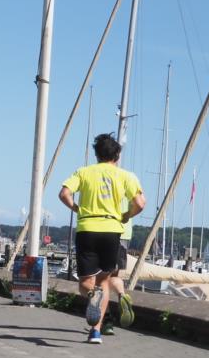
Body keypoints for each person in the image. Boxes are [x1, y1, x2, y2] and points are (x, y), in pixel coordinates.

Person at [59, 133, 146, 345]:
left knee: (86, 283)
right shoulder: (126, 176)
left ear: (96, 154)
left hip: (88, 228)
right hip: (112, 230)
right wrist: (127, 215)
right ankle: (95, 332)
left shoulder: (84, 172)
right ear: (117, 154)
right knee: (104, 281)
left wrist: (76, 208)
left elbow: (64, 193)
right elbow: (140, 203)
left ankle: (91, 296)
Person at [103, 202, 136, 335]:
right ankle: (122, 295)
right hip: (124, 233)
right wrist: (126, 215)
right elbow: (138, 203)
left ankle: (107, 321)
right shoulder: (129, 180)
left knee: (101, 281)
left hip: (104, 230)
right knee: (115, 277)